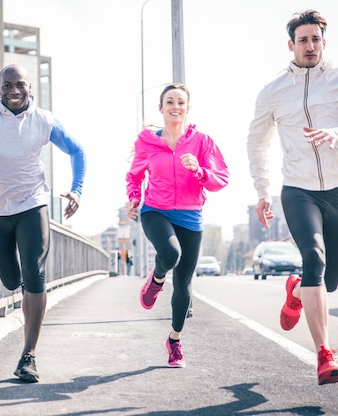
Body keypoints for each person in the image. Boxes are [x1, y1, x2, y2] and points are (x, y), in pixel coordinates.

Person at [246, 10, 338, 385]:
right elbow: (256, 143)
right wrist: (262, 192)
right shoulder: (273, 90)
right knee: (314, 257)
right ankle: (325, 356)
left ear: (324, 42)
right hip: (298, 189)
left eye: (316, 39)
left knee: (331, 281)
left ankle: (296, 292)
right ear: (290, 45)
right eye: (303, 40)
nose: (310, 45)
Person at [0, 64, 86, 383]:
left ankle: (29, 356)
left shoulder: (44, 120)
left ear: (30, 88)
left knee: (35, 275)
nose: (14, 91)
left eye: (20, 85)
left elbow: (77, 150)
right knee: (11, 280)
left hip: (33, 204)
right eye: (7, 86)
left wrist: (77, 189)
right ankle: (22, 290)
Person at [126, 83, 229, 368]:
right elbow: (134, 177)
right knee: (171, 254)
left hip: (190, 216)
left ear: (187, 108)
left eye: (180, 103)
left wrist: (199, 170)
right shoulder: (147, 142)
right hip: (155, 210)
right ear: (161, 108)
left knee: (183, 285)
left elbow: (221, 177)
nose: (175, 107)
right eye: (169, 102)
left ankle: (174, 341)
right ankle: (157, 279)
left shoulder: (202, 141)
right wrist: (134, 199)